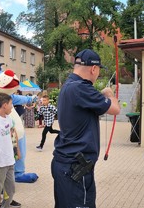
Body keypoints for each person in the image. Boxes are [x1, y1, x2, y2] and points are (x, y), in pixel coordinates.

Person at [51, 49, 120, 208]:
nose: (97, 75)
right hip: (75, 167)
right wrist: (109, 94)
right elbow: (115, 109)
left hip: (67, 164)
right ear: (93, 69)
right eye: (99, 71)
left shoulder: (69, 85)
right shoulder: (81, 88)